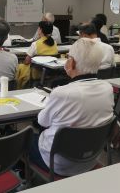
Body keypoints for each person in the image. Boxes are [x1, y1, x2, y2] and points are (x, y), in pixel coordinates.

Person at [30, 38, 114, 176]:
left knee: (23, 140)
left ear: (72, 62)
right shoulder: (108, 88)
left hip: (58, 162)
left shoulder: (62, 93)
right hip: (90, 159)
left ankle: (24, 176)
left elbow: (42, 121)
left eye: (68, 57)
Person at [17, 21, 58, 88]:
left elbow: (27, 62)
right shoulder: (55, 43)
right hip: (50, 73)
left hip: (36, 72)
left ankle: (18, 88)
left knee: (20, 67)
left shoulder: (35, 44)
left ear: (40, 30)